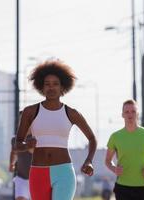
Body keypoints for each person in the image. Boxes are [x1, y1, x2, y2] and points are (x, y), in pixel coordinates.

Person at [15, 60, 97, 200]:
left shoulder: (71, 113)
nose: (51, 88)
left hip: (64, 172)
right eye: (47, 84)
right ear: (41, 87)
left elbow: (92, 138)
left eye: (55, 84)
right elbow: (18, 144)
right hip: (38, 172)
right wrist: (27, 145)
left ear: (62, 87)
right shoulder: (30, 111)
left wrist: (88, 161)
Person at [105, 99, 144, 200]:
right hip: (122, 187)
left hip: (143, 186)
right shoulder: (115, 137)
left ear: (137, 114)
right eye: (126, 112)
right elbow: (107, 160)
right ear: (122, 115)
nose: (130, 115)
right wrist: (114, 169)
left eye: (133, 111)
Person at [9, 112, 35, 200]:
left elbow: (33, 150)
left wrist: (25, 146)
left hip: (36, 180)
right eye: (21, 121)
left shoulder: (37, 138)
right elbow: (14, 152)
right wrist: (12, 163)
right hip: (21, 178)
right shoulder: (15, 139)